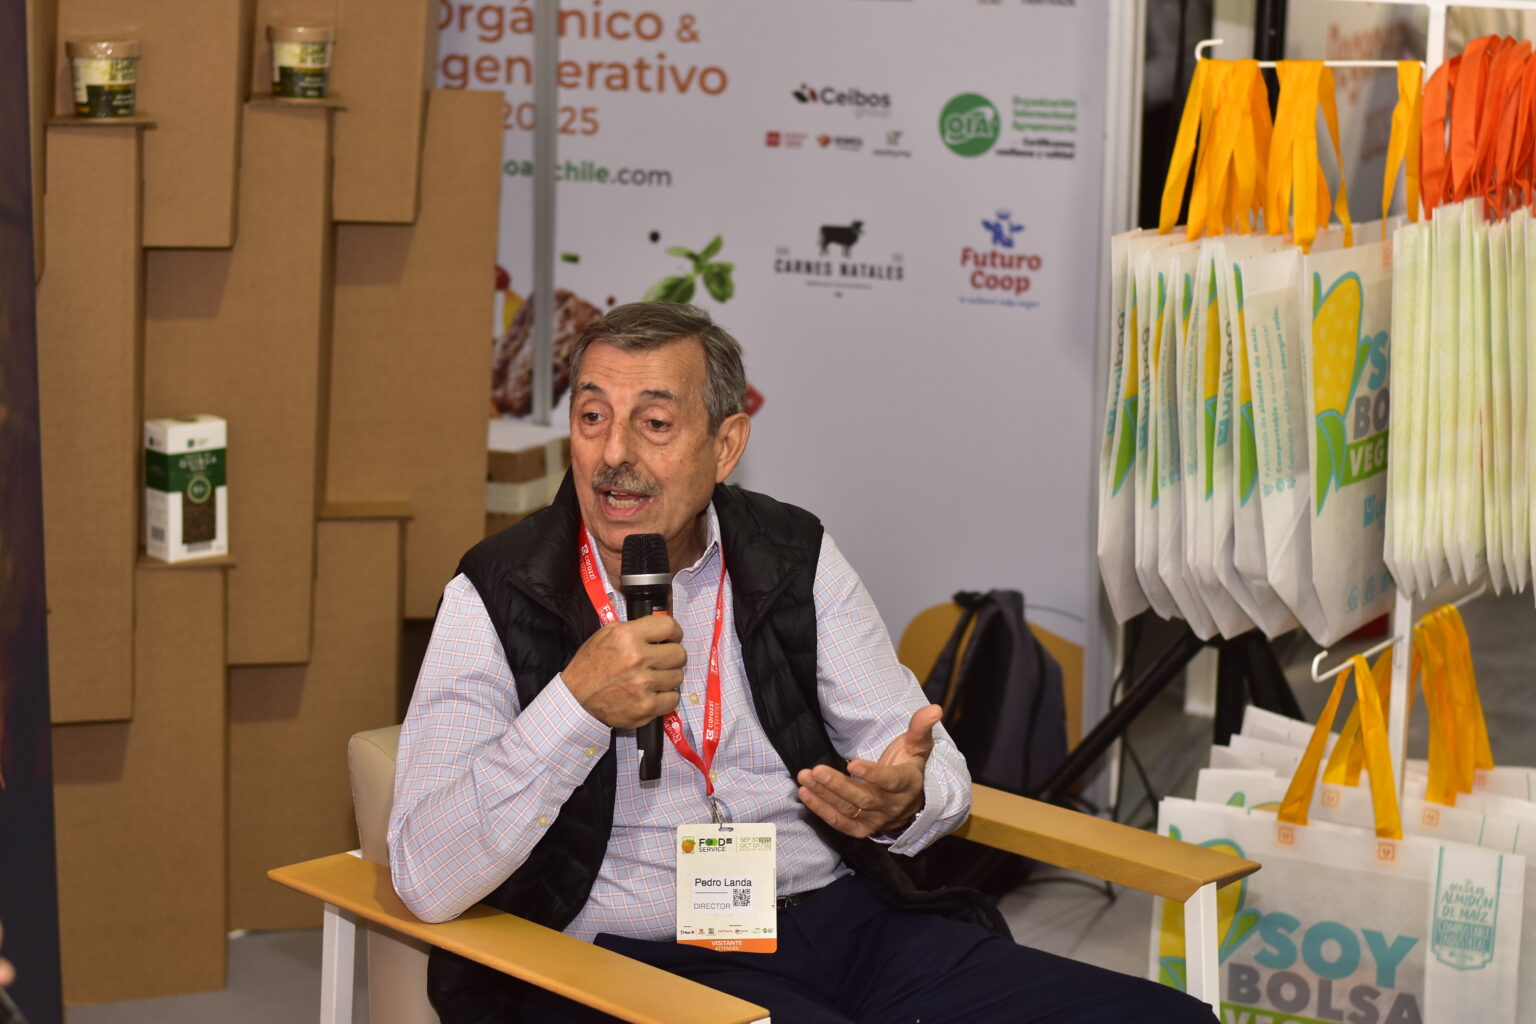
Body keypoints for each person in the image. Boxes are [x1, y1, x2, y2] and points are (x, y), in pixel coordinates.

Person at [388, 302, 1214, 1023]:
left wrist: (904, 799)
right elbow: (425, 874)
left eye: (655, 424)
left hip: (844, 922)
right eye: (593, 417)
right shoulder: (498, 590)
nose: (613, 456)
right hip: (634, 958)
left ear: (726, 445)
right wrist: (574, 705)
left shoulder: (790, 555)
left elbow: (921, 756)